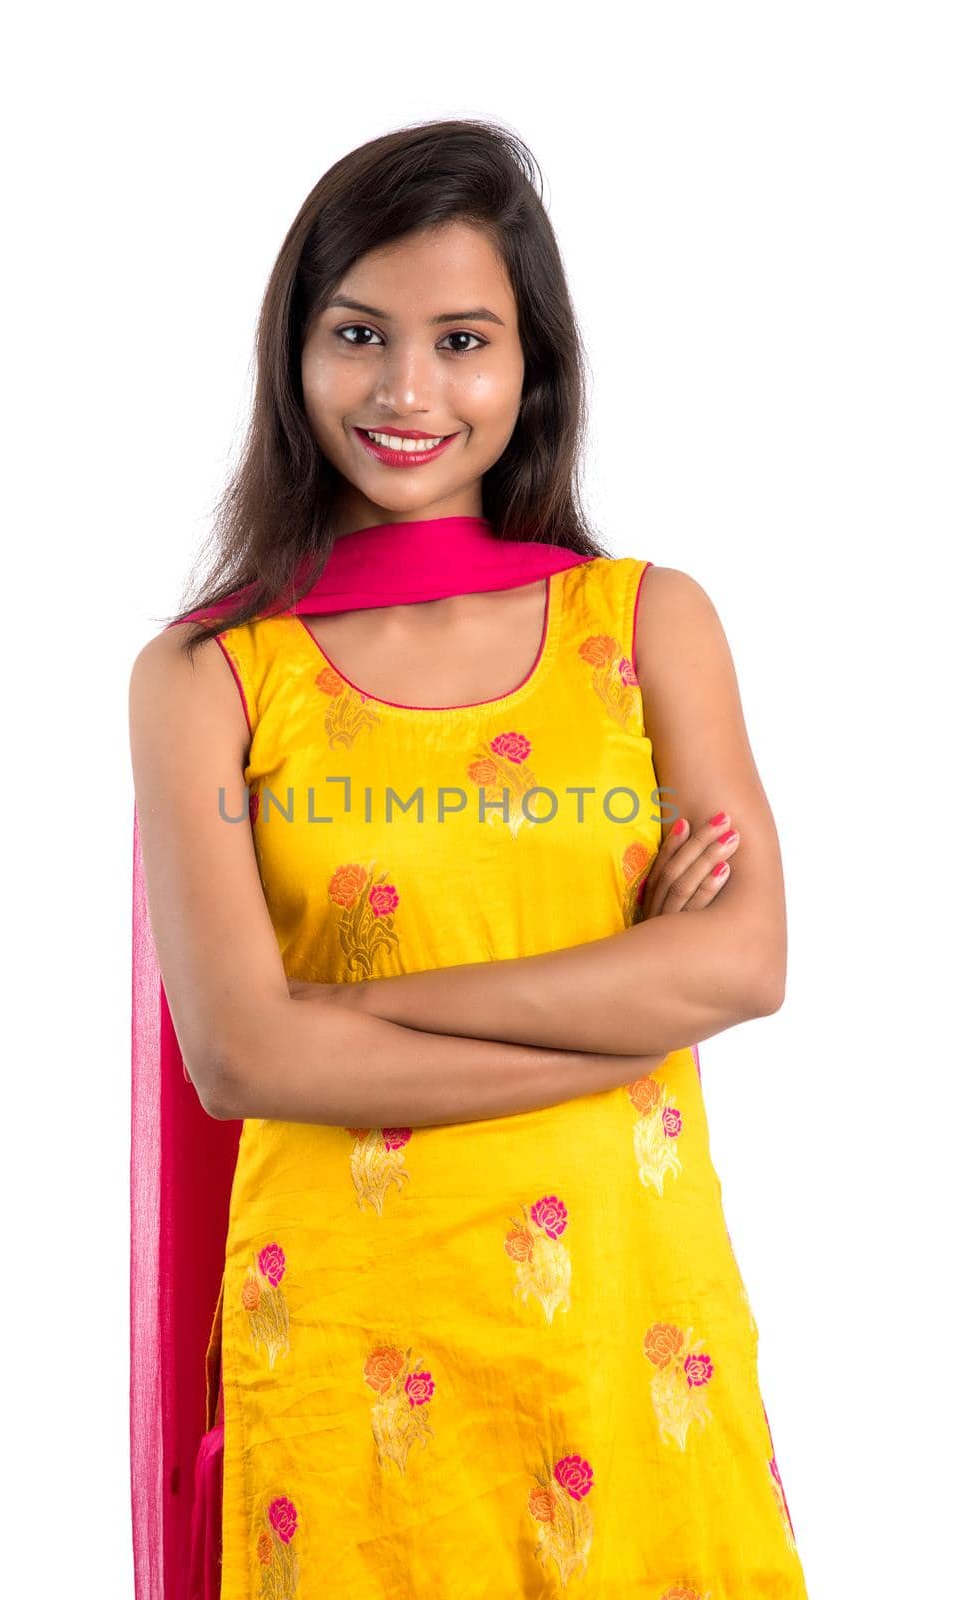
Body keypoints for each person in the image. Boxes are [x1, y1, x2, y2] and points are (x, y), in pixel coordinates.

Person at [129, 118, 808, 1599]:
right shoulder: (213, 676)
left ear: (533, 368)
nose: (407, 391)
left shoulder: (646, 625)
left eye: (464, 339)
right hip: (351, 1335)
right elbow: (243, 1060)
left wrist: (354, 1015)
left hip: (624, 1328)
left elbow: (744, 963)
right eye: (359, 333)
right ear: (293, 355)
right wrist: (627, 1011)